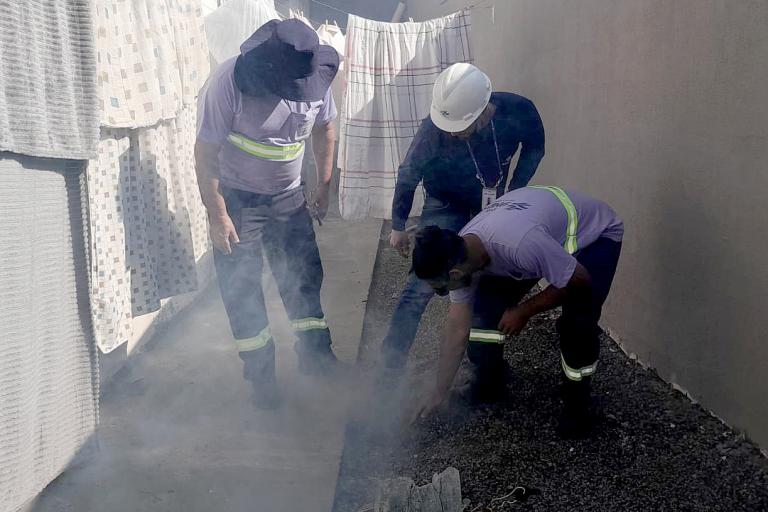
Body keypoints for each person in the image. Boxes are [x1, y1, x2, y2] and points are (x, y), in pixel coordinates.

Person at [194, 19, 341, 408]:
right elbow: (205, 154)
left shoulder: (315, 76)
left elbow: (326, 127)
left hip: (290, 199)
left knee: (305, 278)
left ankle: (316, 359)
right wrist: (217, 215)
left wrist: (323, 184)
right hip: (239, 203)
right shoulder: (227, 83)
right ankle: (262, 382)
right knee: (242, 290)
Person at [410, 186, 623, 438]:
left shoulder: (519, 244)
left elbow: (578, 280)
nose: (442, 294)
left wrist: (524, 310)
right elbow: (458, 329)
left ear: (454, 275)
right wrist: (439, 392)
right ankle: (488, 382)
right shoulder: (462, 250)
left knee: (576, 325)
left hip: (595, 238)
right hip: (538, 238)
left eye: (440, 289)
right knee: (484, 310)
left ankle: (577, 403)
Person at [382, 63, 546, 371]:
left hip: (495, 200)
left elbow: (536, 147)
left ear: (485, 110)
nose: (455, 136)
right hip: (446, 203)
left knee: (490, 277)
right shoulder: (434, 128)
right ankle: (389, 365)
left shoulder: (519, 110)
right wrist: (398, 225)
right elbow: (408, 174)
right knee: (422, 281)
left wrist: (515, 190)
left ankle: (485, 366)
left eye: (462, 130)